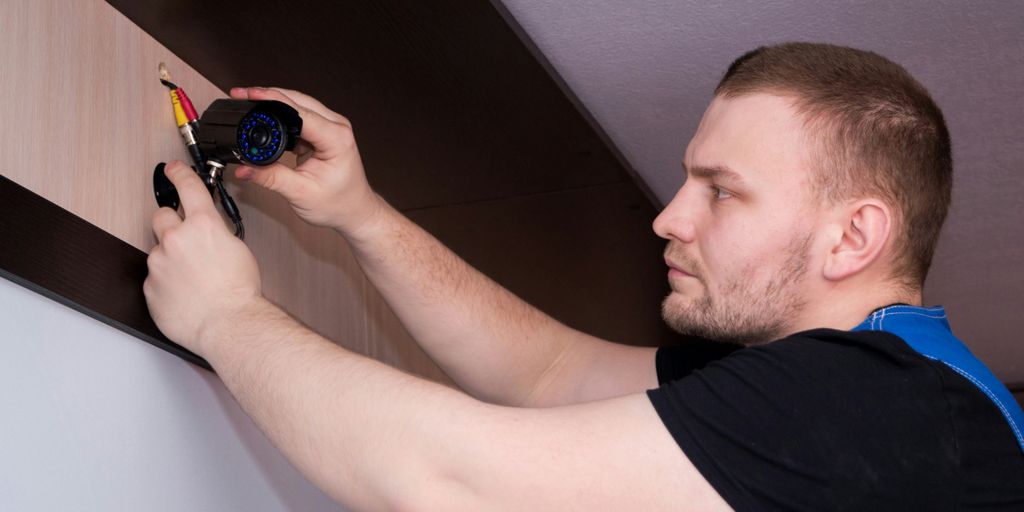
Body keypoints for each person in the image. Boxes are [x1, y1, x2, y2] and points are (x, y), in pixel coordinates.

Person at [143, 42, 1024, 510]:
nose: (669, 218)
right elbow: (547, 375)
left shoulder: (885, 407)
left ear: (853, 237)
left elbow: (449, 480)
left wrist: (225, 317)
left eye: (722, 192)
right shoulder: (865, 387)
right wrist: (360, 213)